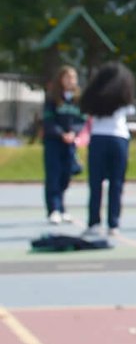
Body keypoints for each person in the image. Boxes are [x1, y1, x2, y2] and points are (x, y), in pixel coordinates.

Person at [79, 61, 135, 238]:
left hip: (98, 138)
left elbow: (86, 112)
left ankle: (94, 222)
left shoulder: (93, 98)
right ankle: (113, 223)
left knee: (95, 183)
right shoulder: (123, 97)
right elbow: (130, 110)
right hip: (119, 138)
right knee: (116, 183)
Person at [40, 66, 83, 226]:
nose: (71, 81)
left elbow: (81, 120)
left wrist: (73, 133)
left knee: (66, 176)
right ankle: (54, 210)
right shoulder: (52, 98)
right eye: (68, 78)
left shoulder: (78, 99)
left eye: (73, 78)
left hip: (70, 142)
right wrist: (61, 134)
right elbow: (48, 120)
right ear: (61, 80)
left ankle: (62, 208)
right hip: (54, 142)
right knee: (53, 175)